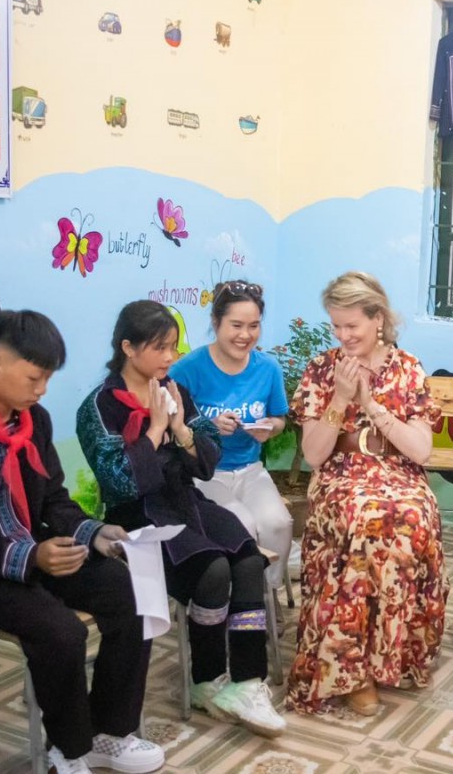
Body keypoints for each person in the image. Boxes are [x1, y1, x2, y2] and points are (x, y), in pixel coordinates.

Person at [0, 310, 164, 774]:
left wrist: (94, 532)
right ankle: (67, 751)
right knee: (63, 633)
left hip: (44, 552)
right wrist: (32, 557)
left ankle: (109, 732)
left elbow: (53, 500)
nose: (42, 388)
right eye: (35, 376)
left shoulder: (35, 421)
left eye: (47, 377)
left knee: (133, 597)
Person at [77, 300, 285, 737]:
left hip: (186, 501)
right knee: (210, 569)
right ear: (128, 348)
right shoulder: (97, 408)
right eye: (160, 348)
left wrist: (183, 429)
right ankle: (207, 680)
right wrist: (156, 428)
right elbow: (120, 484)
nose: (170, 358)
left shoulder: (173, 390)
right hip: (136, 517)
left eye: (173, 347)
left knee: (248, 558)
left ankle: (248, 682)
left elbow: (206, 460)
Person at [287, 271, 446, 716]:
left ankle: (394, 656)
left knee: (412, 516)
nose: (343, 335)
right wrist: (340, 399)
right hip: (342, 474)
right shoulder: (322, 369)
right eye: (336, 325)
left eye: (352, 325)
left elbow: (422, 452)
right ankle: (352, 671)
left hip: (399, 471)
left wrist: (372, 404)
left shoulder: (407, 368)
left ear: (378, 319)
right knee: (363, 517)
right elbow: (316, 456)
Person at [169, 281, 294, 588]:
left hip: (251, 470)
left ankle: (265, 598)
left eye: (254, 326)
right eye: (236, 325)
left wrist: (269, 429)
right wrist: (208, 428)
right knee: (244, 526)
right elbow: (169, 429)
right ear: (216, 322)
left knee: (279, 524)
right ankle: (237, 601)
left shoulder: (268, 369)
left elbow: (279, 419)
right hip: (204, 474)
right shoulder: (187, 369)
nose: (245, 335)